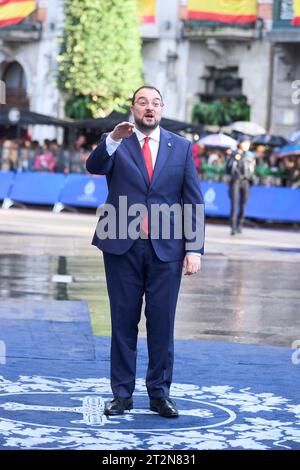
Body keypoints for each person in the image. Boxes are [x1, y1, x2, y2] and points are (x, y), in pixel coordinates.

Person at [86, 85, 205, 418]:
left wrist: (194, 248)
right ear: (133, 109)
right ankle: (121, 395)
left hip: (167, 249)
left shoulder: (180, 147)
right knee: (123, 323)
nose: (148, 108)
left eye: (155, 103)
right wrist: (111, 138)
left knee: (162, 324)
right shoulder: (116, 142)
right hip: (121, 244)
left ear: (162, 109)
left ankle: (159, 394)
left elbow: (193, 200)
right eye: (142, 102)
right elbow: (94, 167)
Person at [225, 137, 255, 235]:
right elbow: (228, 168)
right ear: (240, 143)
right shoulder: (234, 154)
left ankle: (239, 225)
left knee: (243, 205)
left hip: (245, 182)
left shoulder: (250, 156)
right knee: (234, 205)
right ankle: (233, 227)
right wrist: (235, 155)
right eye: (245, 143)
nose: (247, 145)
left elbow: (252, 170)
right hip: (235, 182)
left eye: (248, 143)